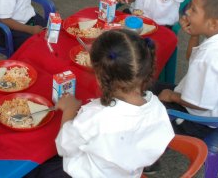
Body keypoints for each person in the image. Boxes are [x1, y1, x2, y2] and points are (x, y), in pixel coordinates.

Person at [33, 30, 174, 177]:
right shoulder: (157, 107)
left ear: (100, 78)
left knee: (38, 169)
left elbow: (64, 147)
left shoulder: (96, 117)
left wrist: (69, 110)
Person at [155, 0, 218, 138]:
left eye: (194, 10)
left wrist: (171, 96)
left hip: (199, 123)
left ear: (213, 24)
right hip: (214, 110)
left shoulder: (211, 56)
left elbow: (199, 103)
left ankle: (145, 155)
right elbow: (192, 57)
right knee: (148, 87)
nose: (187, 12)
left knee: (143, 105)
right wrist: (194, 34)